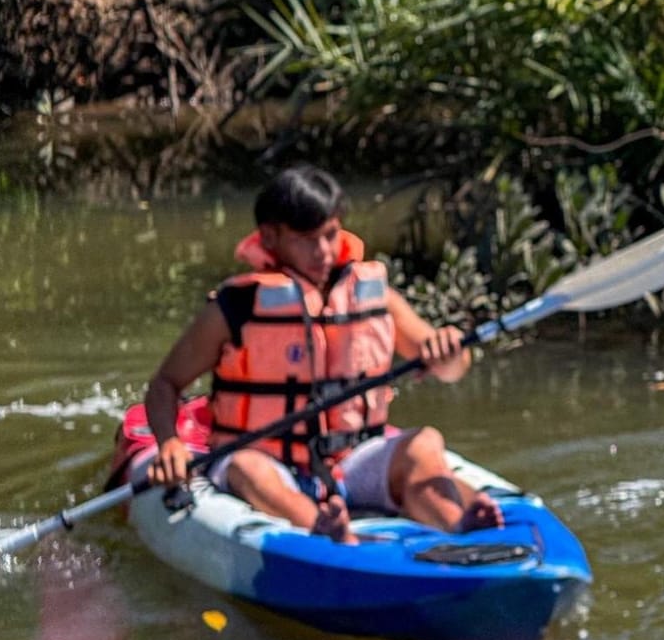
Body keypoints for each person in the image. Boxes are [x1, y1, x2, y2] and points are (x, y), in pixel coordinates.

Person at [145, 164, 504, 544]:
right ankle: (324, 530)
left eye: (331, 235)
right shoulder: (236, 307)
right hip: (266, 462)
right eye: (306, 239)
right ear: (270, 236)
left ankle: (457, 525)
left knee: (425, 442)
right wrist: (169, 442)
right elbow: (165, 384)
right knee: (248, 468)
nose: (324, 252)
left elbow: (451, 369)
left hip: (353, 460)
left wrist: (448, 352)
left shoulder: (373, 295)